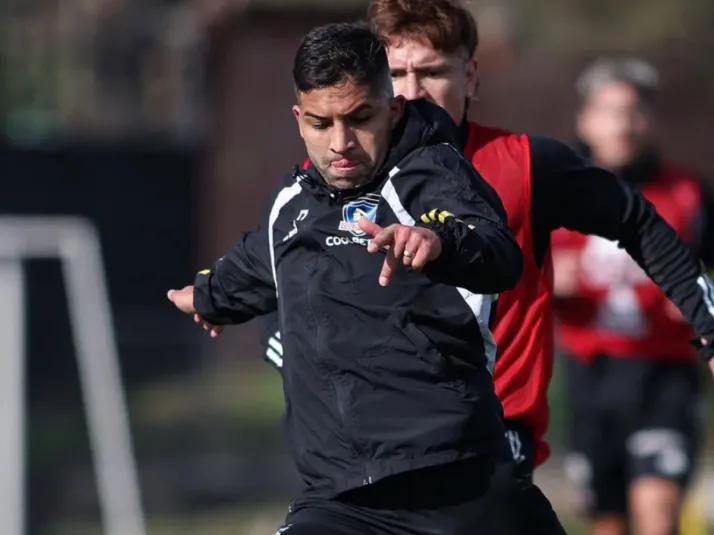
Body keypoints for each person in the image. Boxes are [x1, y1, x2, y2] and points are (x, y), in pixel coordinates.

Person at [256, 0, 714, 484]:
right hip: (369, 450)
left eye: (431, 72)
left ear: (470, 76)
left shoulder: (526, 165)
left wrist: (707, 326)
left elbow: (637, 220)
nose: (412, 93)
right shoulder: (330, 181)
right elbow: (270, 277)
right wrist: (299, 356)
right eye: (395, 74)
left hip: (493, 438)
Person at [169, 22, 567, 535]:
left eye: (360, 118)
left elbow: (496, 252)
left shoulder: (431, 176)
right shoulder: (290, 208)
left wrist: (439, 244)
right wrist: (204, 296)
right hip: (342, 501)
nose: (341, 143)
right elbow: (245, 272)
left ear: (393, 109)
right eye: (321, 122)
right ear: (299, 119)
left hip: (458, 486)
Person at [551, 58, 714, 535]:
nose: (621, 123)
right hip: (590, 377)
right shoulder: (555, 192)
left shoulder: (687, 192)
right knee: (608, 523)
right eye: (608, 110)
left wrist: (694, 298)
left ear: (650, 118)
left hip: (664, 377)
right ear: (585, 118)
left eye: (633, 110)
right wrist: (546, 276)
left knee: (657, 514)